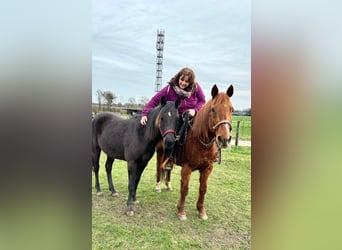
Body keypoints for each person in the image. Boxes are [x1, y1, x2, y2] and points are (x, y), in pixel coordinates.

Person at [140, 67, 206, 169]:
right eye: (182, 80)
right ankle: (169, 158)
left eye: (187, 81)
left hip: (192, 115)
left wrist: (195, 110)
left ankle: (211, 154)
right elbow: (155, 100)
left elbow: (202, 101)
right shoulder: (169, 89)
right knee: (173, 136)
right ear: (178, 78)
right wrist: (145, 114)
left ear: (191, 82)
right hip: (176, 117)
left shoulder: (196, 88)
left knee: (206, 127)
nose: (183, 83)